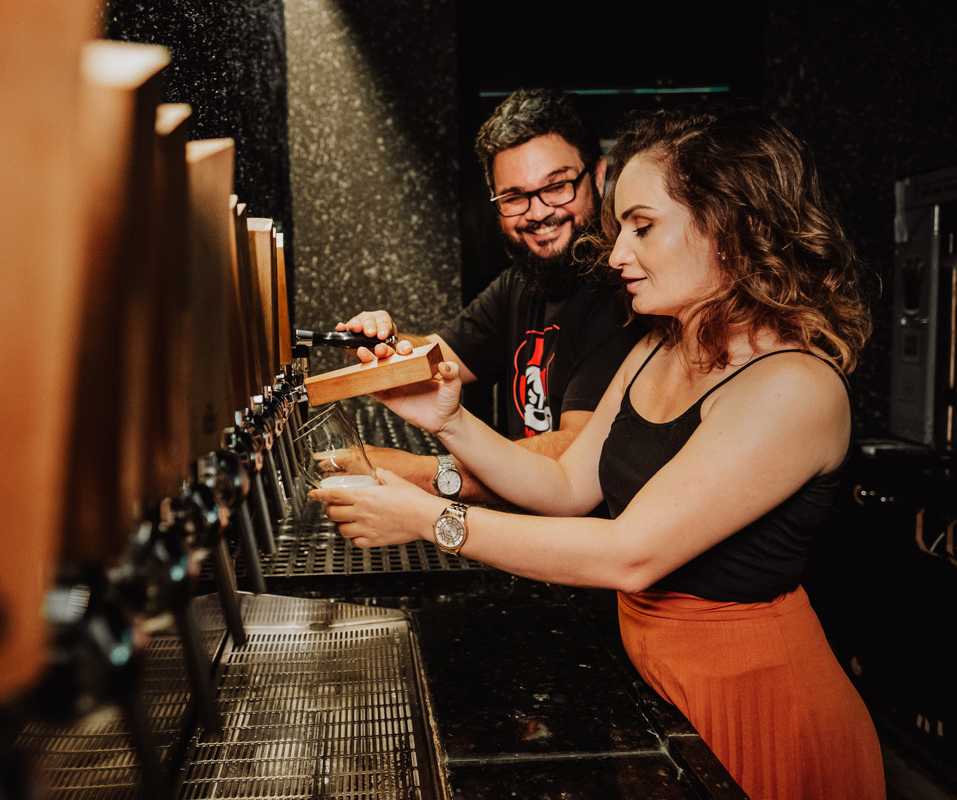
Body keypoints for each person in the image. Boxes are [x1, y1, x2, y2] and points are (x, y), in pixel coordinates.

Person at [313, 105, 885, 799]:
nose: (616, 255)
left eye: (642, 228)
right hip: (656, 681)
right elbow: (564, 483)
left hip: (755, 702)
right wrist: (451, 419)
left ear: (728, 230)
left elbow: (630, 553)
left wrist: (431, 517)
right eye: (619, 231)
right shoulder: (659, 346)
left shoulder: (794, 387)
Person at [338, 88, 642, 503]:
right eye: (514, 197)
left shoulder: (622, 295)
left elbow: (571, 460)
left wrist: (421, 472)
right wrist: (382, 345)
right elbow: (438, 360)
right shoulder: (523, 283)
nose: (537, 213)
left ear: (600, 176)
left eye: (557, 187)